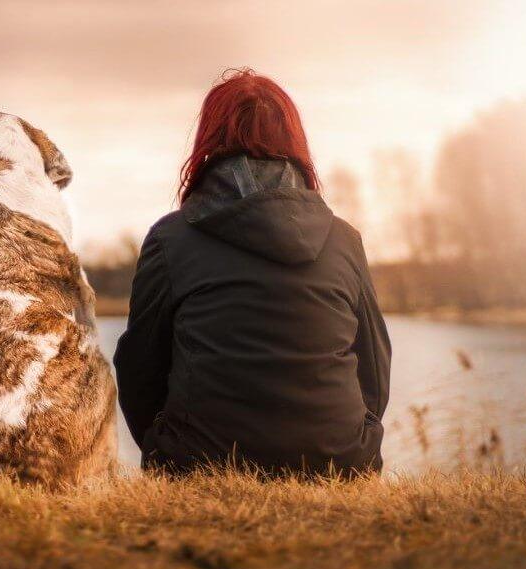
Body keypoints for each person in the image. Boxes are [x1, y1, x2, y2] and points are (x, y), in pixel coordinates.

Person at [114, 69, 391, 477]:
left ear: (209, 141)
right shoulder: (344, 239)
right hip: (340, 463)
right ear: (294, 141)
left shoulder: (171, 239)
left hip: (200, 463)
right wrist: (352, 440)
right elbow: (375, 367)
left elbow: (140, 368)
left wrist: (165, 447)